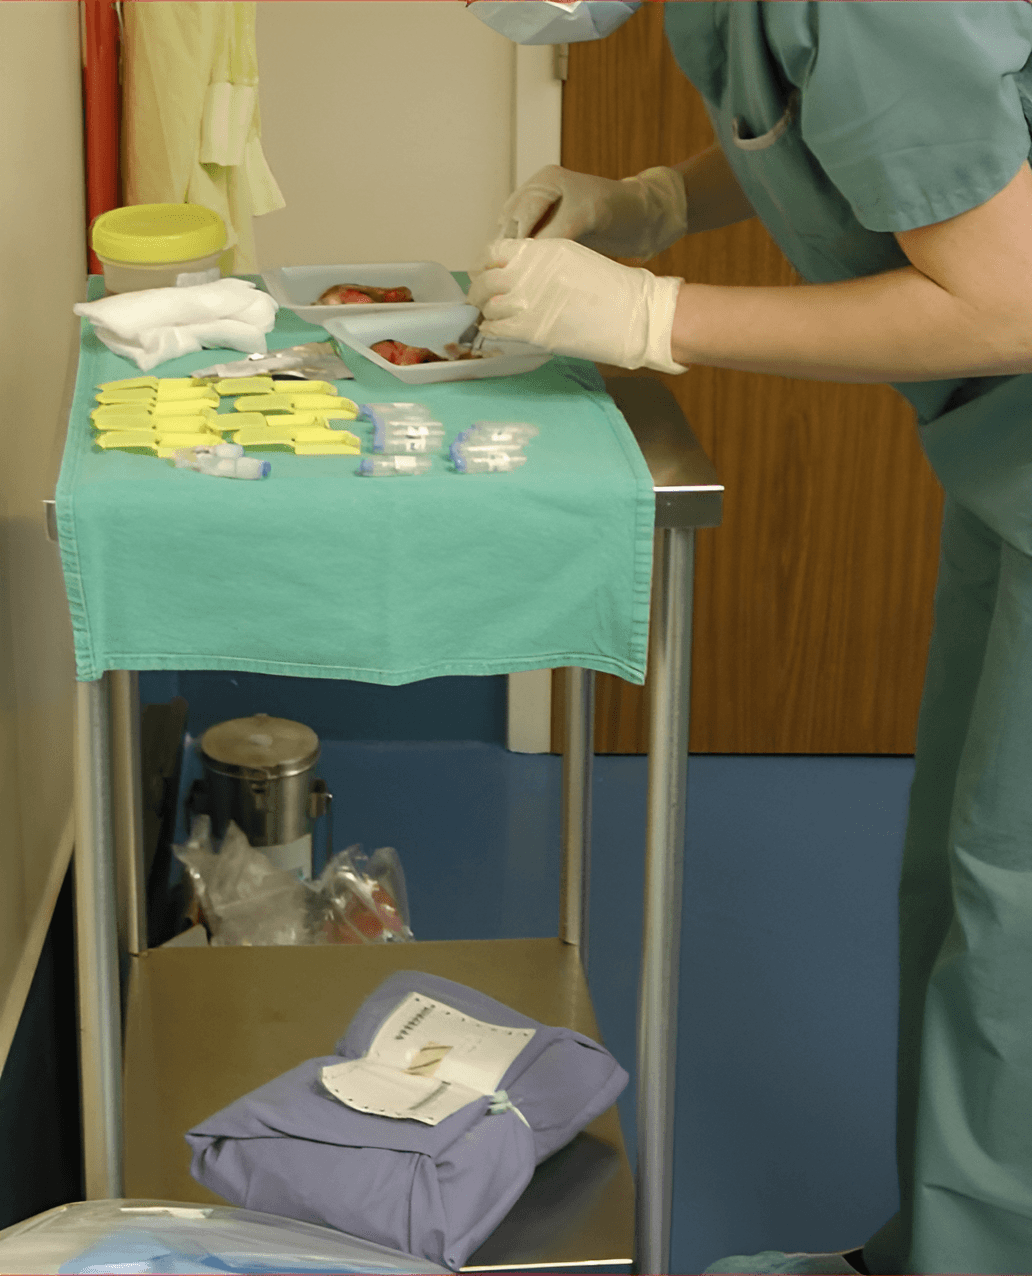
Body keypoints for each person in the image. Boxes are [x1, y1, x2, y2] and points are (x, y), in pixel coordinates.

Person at [466, 3, 1032, 1274]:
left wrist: (659, 317)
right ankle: (949, 1244)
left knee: (1018, 935)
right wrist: (658, 200)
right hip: (1011, 462)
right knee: (960, 878)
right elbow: (846, 132)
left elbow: (1008, 299)